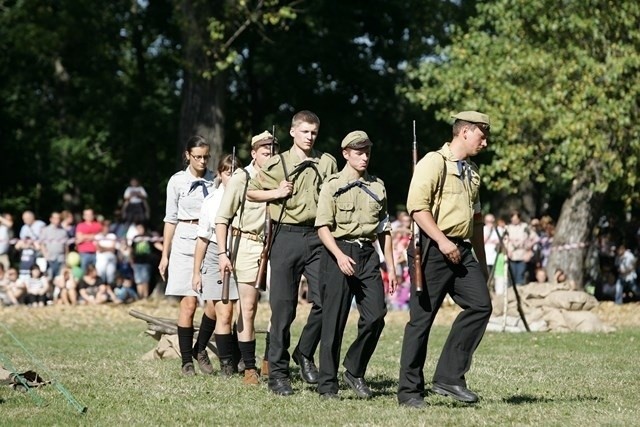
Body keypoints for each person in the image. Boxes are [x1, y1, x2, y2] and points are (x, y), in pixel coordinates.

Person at [397, 111, 493, 408]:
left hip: (462, 249)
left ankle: (449, 377)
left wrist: (483, 259)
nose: (486, 142)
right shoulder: (433, 162)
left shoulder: (473, 171)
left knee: (481, 305)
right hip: (434, 246)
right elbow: (417, 208)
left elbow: (476, 220)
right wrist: (441, 240)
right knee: (421, 321)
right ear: (464, 131)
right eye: (482, 134)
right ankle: (409, 391)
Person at [247, 110, 338, 396]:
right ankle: (278, 373)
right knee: (284, 309)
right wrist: (276, 193)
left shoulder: (327, 162)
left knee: (328, 301)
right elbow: (251, 192)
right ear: (293, 132)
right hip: (286, 235)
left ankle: (304, 351)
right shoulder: (277, 163)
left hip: (318, 235)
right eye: (305, 131)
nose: (310, 137)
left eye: (314, 132)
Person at [314, 131, 397, 399]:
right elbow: (323, 227)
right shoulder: (332, 185)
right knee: (333, 323)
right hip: (338, 252)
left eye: (367, 152)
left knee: (376, 316)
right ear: (346, 154)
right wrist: (338, 255)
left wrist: (391, 266)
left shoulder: (378, 186)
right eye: (358, 152)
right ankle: (327, 384)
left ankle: (354, 369)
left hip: (367, 254)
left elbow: (384, 230)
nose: (364, 157)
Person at [214, 131, 278, 385]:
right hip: (248, 245)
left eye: (273, 152)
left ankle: (270, 359)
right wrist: (222, 252)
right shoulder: (241, 178)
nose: (270, 157)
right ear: (254, 153)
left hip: (276, 245)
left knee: (281, 307)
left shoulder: (281, 177)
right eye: (265, 153)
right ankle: (249, 366)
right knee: (248, 308)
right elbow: (222, 218)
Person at [158, 135, 216, 376]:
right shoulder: (177, 181)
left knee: (213, 304)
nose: (202, 161)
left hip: (210, 240)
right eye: (197, 157)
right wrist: (165, 254)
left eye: (205, 157)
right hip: (184, 238)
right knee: (189, 303)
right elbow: (170, 218)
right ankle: (186, 361)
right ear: (187, 155)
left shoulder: (215, 180)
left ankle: (199, 348)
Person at [191, 154, 241, 377]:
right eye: (227, 172)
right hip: (214, 253)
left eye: (235, 172)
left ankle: (199, 347)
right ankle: (227, 364)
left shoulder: (246, 197)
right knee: (224, 310)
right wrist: (196, 271)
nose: (231, 176)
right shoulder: (211, 201)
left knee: (217, 309)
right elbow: (202, 238)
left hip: (239, 252)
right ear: (220, 175)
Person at [39, 211, 69, 280]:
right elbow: (42, 244)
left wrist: (66, 257)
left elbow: (66, 246)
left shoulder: (63, 231)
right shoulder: (45, 230)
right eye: (55, 218)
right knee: (49, 277)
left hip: (61, 258)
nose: (57, 220)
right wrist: (45, 255)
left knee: (60, 278)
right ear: (51, 219)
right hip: (50, 258)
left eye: (58, 218)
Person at [75, 209, 102, 273]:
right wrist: (92, 236)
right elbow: (79, 238)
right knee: (84, 270)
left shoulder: (98, 225)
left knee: (96, 271)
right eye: (87, 215)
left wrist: (84, 236)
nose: (89, 216)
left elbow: (100, 237)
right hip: (84, 252)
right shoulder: (80, 226)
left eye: (90, 214)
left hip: (96, 252)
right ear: (84, 216)